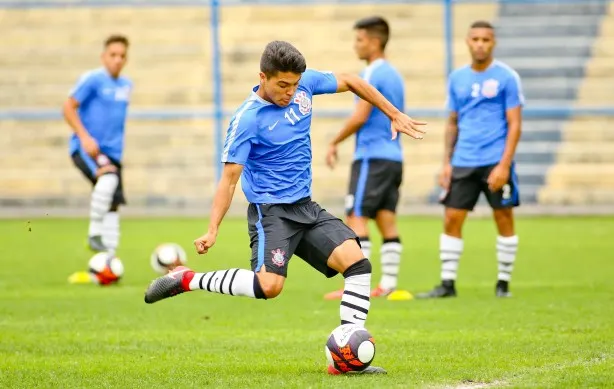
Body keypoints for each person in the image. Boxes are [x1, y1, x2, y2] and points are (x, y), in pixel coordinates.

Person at [143, 40, 426, 374]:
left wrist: (393, 113)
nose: (290, 92)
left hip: (305, 207)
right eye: (282, 85)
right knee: (269, 287)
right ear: (262, 77)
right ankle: (186, 279)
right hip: (271, 213)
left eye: (294, 85)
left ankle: (347, 362)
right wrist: (212, 229)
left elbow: (351, 80)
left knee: (358, 263)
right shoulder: (247, 120)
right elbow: (229, 179)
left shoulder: (304, 85)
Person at [417, 21, 523, 299]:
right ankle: (447, 284)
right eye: (475, 39)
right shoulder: (457, 78)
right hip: (464, 159)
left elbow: (514, 123)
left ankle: (503, 284)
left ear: (493, 43)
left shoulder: (507, 77)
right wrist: (447, 163)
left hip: (494, 160)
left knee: (503, 217)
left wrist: (504, 165)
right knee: (452, 217)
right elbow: (453, 123)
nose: (480, 44)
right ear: (467, 41)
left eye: (486, 40)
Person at [323, 16, 406, 300]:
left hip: (371, 156)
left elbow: (361, 116)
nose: (355, 45)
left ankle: (358, 288)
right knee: (386, 219)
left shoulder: (371, 74)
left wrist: (334, 141)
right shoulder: (394, 74)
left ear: (374, 41)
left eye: (359, 39)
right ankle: (387, 285)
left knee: (356, 216)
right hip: (394, 157)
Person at [63, 34, 132, 256]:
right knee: (108, 178)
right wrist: (84, 137)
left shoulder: (126, 85)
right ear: (103, 57)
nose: (118, 60)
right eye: (113, 55)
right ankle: (94, 234)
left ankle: (108, 260)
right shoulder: (92, 79)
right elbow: (68, 107)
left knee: (113, 204)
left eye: (122, 56)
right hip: (88, 148)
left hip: (113, 153)